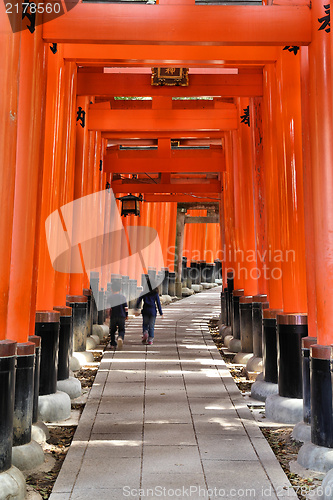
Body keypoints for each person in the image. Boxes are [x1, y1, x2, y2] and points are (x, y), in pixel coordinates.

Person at [107, 281, 128, 350]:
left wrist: (108, 316)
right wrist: (126, 315)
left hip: (113, 316)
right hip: (121, 316)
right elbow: (126, 308)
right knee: (121, 329)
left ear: (111, 289)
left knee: (112, 330)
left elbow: (108, 308)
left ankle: (112, 344)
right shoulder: (123, 297)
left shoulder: (110, 297)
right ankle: (120, 337)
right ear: (120, 289)